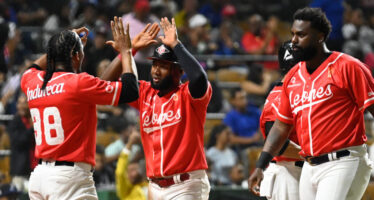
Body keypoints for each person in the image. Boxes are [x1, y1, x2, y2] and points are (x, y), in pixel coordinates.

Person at [249, 7, 374, 200]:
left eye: (301, 35)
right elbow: (281, 125)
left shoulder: (348, 66)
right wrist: (260, 164)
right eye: (293, 34)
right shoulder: (292, 76)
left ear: (320, 37)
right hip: (310, 165)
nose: (294, 40)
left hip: (343, 158)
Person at [21, 17, 138, 199]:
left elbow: (33, 67)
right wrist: (127, 51)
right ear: (76, 56)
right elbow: (131, 90)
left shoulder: (32, 81)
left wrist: (64, 40)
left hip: (40, 176)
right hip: (69, 178)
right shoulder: (78, 82)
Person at [101, 17, 212, 200]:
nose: (156, 71)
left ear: (179, 71)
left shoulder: (189, 95)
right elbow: (104, 85)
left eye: (164, 66)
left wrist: (176, 44)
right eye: (155, 64)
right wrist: (128, 51)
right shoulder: (145, 93)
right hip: (155, 187)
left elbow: (200, 78)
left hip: (186, 185)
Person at [256, 41, 303, 200]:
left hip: (300, 171)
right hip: (287, 174)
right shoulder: (279, 97)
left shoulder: (295, 93)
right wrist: (312, 154)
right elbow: (277, 145)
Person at [7, 93, 36, 192]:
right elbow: (18, 141)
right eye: (19, 103)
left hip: (35, 169)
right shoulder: (15, 122)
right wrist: (31, 129)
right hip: (20, 170)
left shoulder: (35, 119)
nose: (21, 106)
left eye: (24, 103)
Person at [115, 127, 147, 200]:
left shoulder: (153, 185)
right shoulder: (127, 191)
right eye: (128, 172)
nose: (131, 174)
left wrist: (144, 140)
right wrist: (130, 143)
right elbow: (120, 172)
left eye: (133, 170)